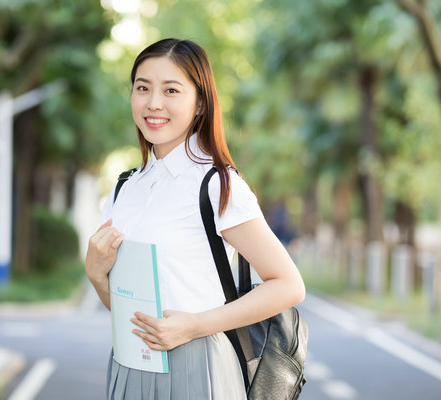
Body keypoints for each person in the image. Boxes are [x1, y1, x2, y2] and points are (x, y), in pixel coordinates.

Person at [85, 38, 305, 400]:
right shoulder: (124, 189)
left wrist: (194, 326)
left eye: (171, 90)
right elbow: (129, 311)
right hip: (129, 365)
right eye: (143, 88)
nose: (153, 102)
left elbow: (288, 284)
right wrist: (96, 276)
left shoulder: (217, 184)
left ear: (200, 103)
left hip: (198, 366)